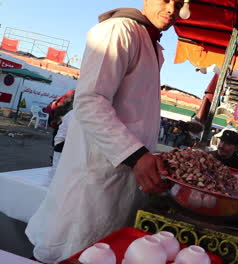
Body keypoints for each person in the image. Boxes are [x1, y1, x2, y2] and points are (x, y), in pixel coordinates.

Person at [25, 1, 183, 262]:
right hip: (93, 182)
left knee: (105, 251)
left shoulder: (154, 46)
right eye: (166, 0)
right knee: (76, 251)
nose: (172, 10)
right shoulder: (118, 30)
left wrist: (148, 155)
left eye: (178, 5)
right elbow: (90, 101)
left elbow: (135, 113)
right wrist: (136, 155)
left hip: (121, 182)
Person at [47, 110, 74, 186]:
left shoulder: (72, 113)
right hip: (63, 143)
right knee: (57, 169)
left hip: (63, 142)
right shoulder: (73, 113)